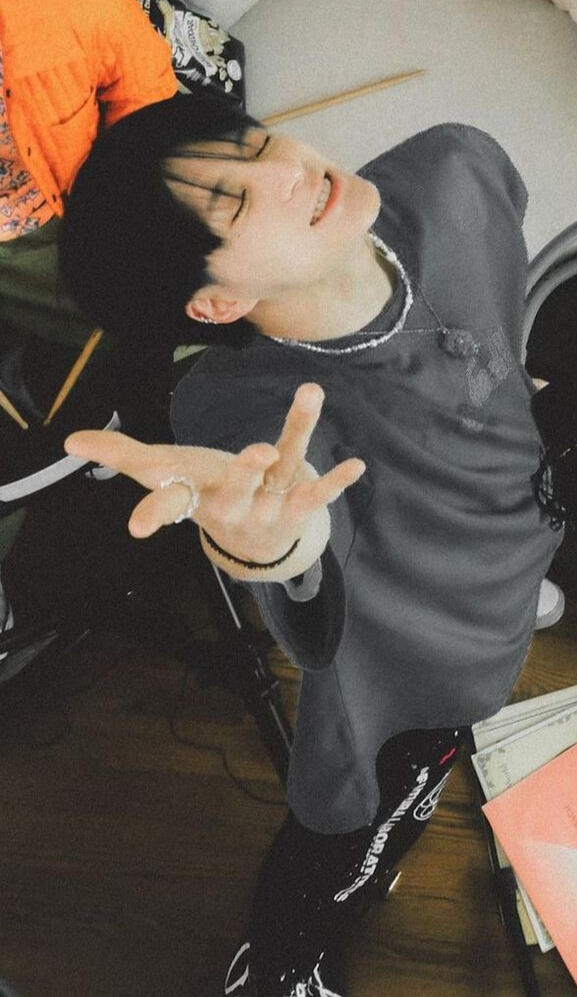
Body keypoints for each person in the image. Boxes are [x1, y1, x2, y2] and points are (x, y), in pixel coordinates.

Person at [58, 93, 563, 997]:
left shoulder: (457, 167)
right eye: (237, 201)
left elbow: (501, 295)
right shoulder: (250, 405)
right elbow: (283, 521)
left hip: (513, 548)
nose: (289, 168)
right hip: (414, 667)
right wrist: (270, 546)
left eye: (254, 144)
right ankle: (284, 959)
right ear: (218, 300)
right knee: (359, 822)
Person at [0, 0, 177, 675]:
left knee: (152, 325)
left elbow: (146, 86)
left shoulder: (70, 9)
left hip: (55, 226)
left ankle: (106, 412)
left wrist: (124, 199)